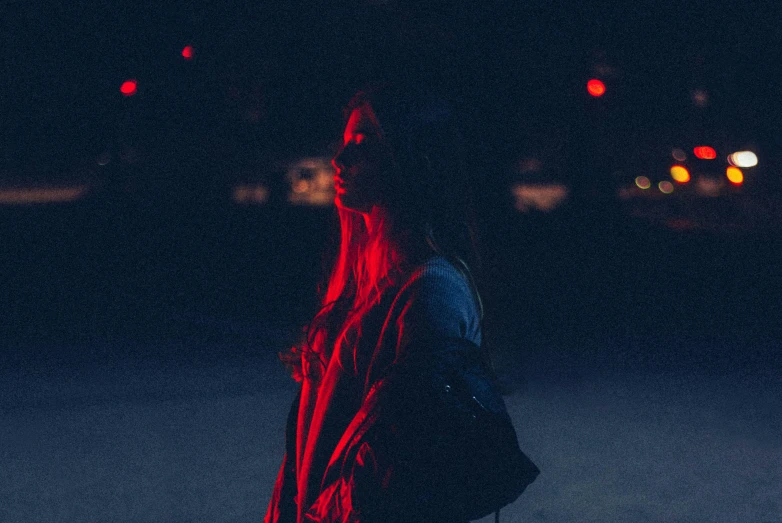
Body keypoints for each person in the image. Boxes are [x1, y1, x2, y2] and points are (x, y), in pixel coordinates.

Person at [265, 85, 538, 523]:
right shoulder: (359, 285)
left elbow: (404, 466)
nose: (340, 160)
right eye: (345, 143)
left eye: (363, 145)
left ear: (413, 158)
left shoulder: (431, 291)